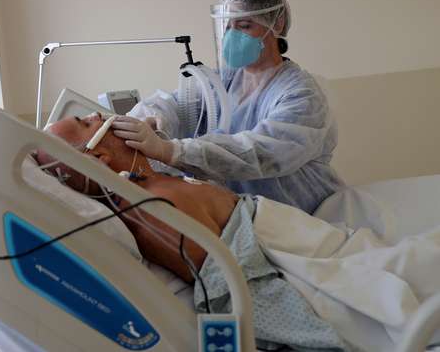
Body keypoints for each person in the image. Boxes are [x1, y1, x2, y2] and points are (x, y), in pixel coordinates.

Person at [40, 114, 440, 351]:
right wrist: (313, 337)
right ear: (97, 155)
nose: (101, 116)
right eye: (87, 122)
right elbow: (236, 285)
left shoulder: (150, 183)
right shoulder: (152, 210)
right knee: (417, 272)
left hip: (321, 245)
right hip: (318, 272)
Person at [112, 0, 342, 213]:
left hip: (299, 211)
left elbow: (260, 153)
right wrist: (150, 118)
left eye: (244, 26)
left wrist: (171, 151)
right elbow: (178, 103)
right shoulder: (223, 80)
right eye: (226, 25)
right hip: (244, 212)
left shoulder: (301, 94)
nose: (231, 36)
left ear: (278, 24)